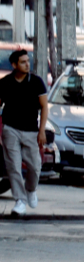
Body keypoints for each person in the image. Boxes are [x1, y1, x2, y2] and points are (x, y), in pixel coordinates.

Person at [0, 49, 49, 217]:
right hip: (10, 129)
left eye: (28, 61)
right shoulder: (5, 82)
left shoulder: (36, 82)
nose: (27, 64)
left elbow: (44, 107)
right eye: (23, 62)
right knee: (13, 166)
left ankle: (30, 189)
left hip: (31, 131)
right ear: (14, 65)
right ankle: (20, 201)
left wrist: (41, 130)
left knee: (35, 166)